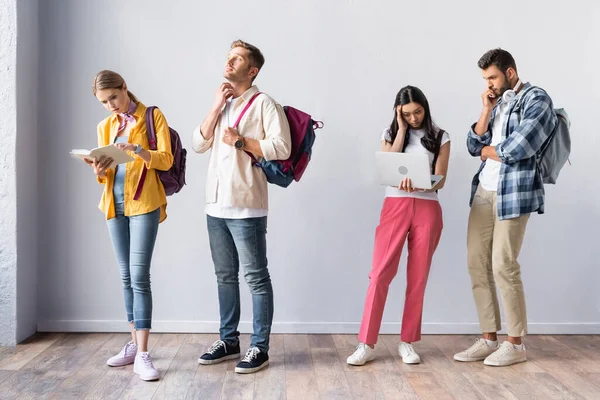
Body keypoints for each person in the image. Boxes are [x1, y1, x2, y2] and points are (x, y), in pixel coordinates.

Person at [192, 40, 291, 374]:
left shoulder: (265, 103)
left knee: (256, 278)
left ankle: (259, 347)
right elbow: (199, 142)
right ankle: (228, 340)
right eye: (227, 57)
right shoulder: (223, 103)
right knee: (224, 277)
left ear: (252, 70)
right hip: (215, 204)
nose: (229, 62)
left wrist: (240, 140)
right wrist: (216, 105)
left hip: (247, 204)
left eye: (236, 59)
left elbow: (281, 146)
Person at [454, 49, 557, 367]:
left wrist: (486, 150)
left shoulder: (536, 99)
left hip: (514, 193)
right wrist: (486, 110)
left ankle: (515, 344)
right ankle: (488, 338)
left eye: (493, 77)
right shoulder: (495, 101)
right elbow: (472, 144)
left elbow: (520, 148)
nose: (489, 84)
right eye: (486, 79)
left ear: (510, 73)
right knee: (476, 264)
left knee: (503, 264)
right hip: (484, 191)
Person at [347, 86, 451, 366]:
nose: (415, 117)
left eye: (418, 111)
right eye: (408, 113)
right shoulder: (390, 133)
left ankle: (407, 342)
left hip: (428, 206)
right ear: (399, 112)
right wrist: (402, 129)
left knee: (417, 278)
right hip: (395, 205)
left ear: (425, 108)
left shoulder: (440, 136)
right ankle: (366, 342)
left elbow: (441, 178)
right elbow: (388, 167)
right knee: (380, 274)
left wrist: (421, 183)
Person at [90, 70, 173, 381]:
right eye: (103, 101)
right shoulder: (105, 126)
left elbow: (165, 160)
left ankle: (143, 354)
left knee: (140, 275)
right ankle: (132, 342)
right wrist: (98, 168)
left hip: (144, 203)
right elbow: (106, 173)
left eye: (113, 97)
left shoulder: (152, 117)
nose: (110, 105)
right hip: (114, 204)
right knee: (125, 275)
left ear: (125, 88)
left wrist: (139, 151)